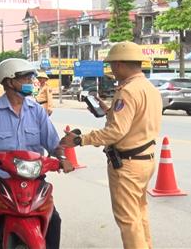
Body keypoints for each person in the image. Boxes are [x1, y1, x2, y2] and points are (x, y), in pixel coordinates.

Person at [60, 41, 162, 249]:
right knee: (140, 213)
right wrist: (109, 112)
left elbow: (116, 132)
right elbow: (135, 122)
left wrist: (80, 139)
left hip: (128, 165)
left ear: (122, 64)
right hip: (146, 160)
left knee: (128, 220)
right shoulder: (149, 88)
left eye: (113, 65)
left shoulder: (128, 91)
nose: (112, 70)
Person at [0, 58, 74, 249]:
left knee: (54, 219)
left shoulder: (37, 111)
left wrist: (62, 158)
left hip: (33, 178)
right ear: (8, 82)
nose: (30, 83)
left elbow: (53, 142)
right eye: (25, 78)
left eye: (30, 78)